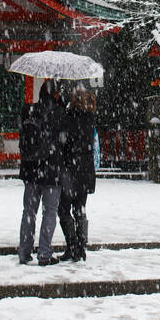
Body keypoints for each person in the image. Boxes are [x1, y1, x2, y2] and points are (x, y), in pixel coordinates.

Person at [18, 79, 65, 266]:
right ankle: (44, 253)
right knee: (50, 212)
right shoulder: (59, 114)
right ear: (56, 94)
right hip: (52, 170)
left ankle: (24, 251)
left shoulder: (28, 111)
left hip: (31, 170)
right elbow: (65, 142)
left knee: (29, 211)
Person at [57, 84, 97, 262]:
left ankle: (72, 246)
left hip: (70, 169)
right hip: (86, 169)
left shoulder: (69, 118)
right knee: (80, 208)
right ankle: (81, 247)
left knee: (64, 209)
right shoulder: (90, 118)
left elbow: (64, 142)